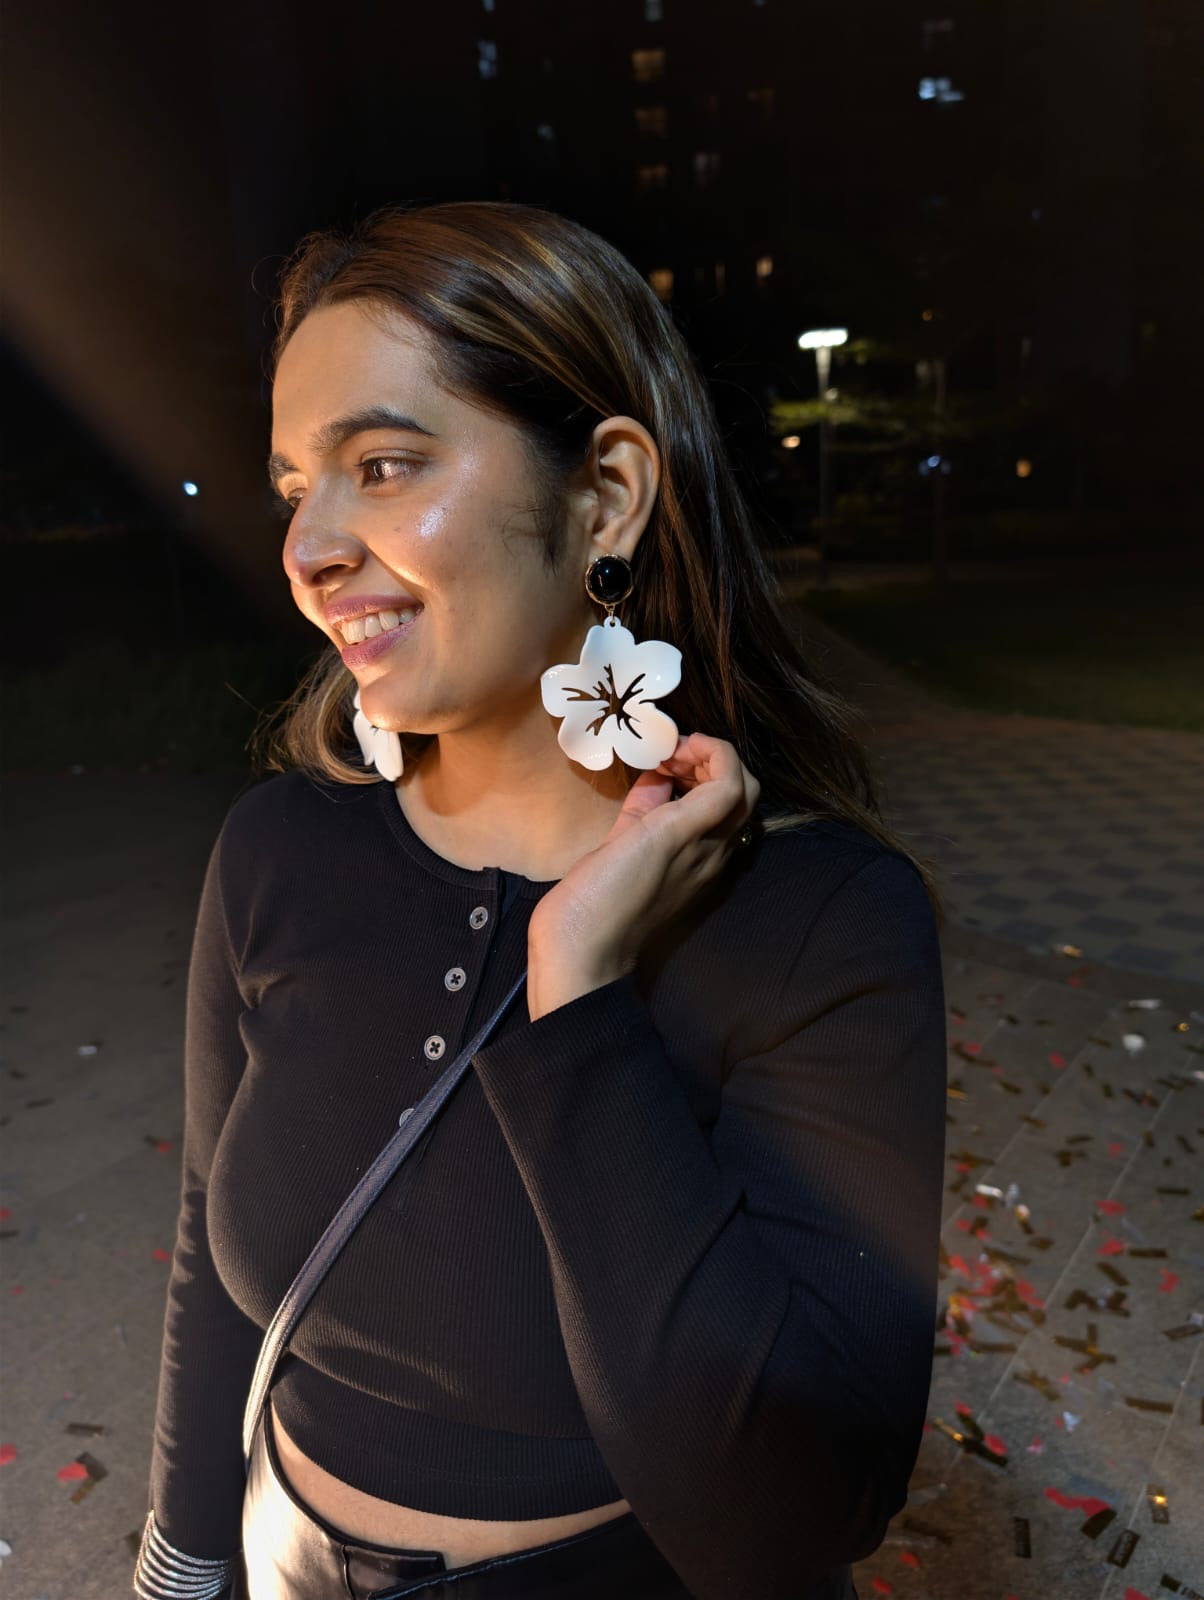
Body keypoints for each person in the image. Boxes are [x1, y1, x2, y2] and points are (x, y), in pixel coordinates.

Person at [133, 200, 948, 1600]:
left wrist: (581, 994)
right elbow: (212, 1266)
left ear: (607, 496)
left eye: (380, 465)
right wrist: (180, 1565)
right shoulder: (277, 852)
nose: (309, 546)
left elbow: (788, 1520)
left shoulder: (823, 923)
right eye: (291, 487)